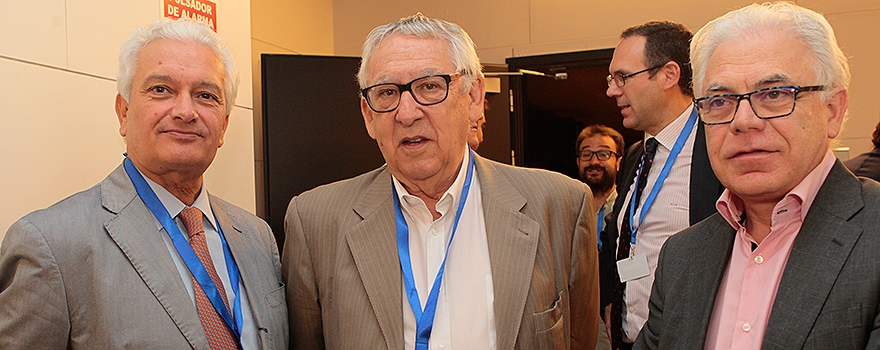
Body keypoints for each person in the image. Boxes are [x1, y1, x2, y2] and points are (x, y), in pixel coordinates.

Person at [282, 13, 599, 350]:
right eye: (387, 93)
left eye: (429, 86)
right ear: (368, 115)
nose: (407, 113)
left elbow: (581, 337)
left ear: (474, 97)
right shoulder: (315, 221)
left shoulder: (558, 204)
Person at [0, 18, 288, 349]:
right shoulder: (51, 245)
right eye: (161, 90)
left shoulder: (257, 237)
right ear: (123, 113)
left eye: (205, 95)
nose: (185, 111)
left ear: (223, 127)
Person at [635, 3, 880, 349]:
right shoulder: (682, 256)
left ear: (833, 111)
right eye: (720, 100)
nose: (743, 120)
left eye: (775, 94)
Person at [601, 21, 723, 350]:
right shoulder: (635, 156)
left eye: (623, 77)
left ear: (669, 75)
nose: (613, 90)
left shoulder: (716, 148)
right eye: (612, 79)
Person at [576, 124, 624, 350]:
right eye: (587, 154)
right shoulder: (567, 206)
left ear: (618, 161)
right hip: (576, 314)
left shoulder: (630, 209)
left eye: (604, 154)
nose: (594, 161)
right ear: (578, 161)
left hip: (617, 310)